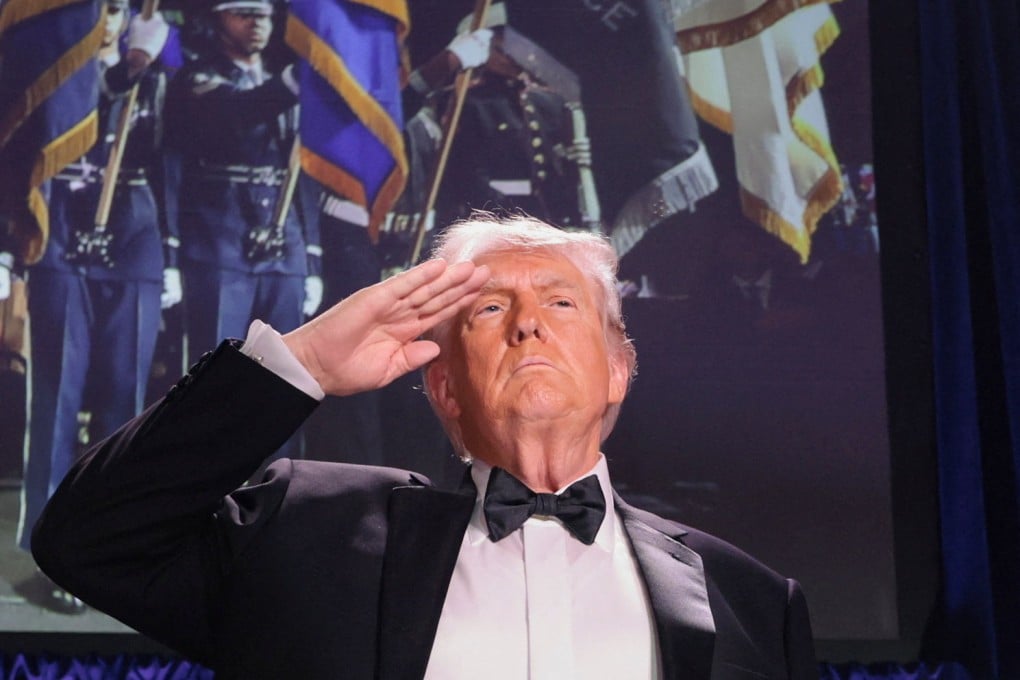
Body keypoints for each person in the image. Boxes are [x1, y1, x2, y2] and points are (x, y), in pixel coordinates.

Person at [32, 214, 817, 678]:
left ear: (618, 370)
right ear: (443, 388)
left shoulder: (750, 601)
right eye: (489, 310)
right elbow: (88, 540)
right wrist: (300, 366)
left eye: (561, 303)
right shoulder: (304, 532)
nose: (528, 323)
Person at [17, 0, 173, 607]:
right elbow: (24, 151)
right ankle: (52, 552)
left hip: (134, 236)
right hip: (60, 229)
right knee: (56, 396)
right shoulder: (53, 67)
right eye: (101, 7)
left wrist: (172, 252)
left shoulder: (155, 74)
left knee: (127, 401)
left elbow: (172, 160)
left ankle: (114, 543)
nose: (109, 19)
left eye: (118, 9)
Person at [163, 0, 322, 370]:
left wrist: (312, 257)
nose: (257, 23)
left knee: (284, 373)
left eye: (264, 15)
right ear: (219, 18)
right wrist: (299, 78)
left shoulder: (284, 80)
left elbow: (303, 172)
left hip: (284, 242)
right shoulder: (196, 78)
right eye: (244, 14)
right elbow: (239, 111)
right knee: (218, 369)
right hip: (220, 240)